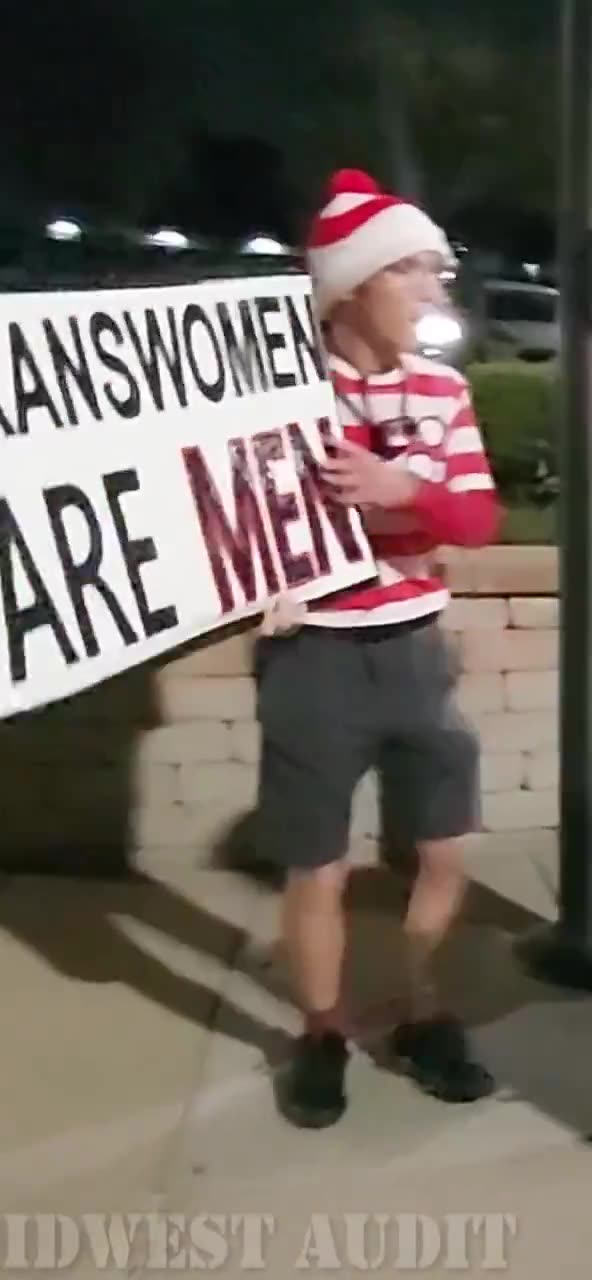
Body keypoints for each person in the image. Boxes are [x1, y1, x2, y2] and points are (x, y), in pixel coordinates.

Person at [255, 168, 500, 1127]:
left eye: (441, 271)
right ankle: (322, 1032)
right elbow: (215, 506)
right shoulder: (277, 392)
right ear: (356, 282)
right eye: (418, 272)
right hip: (313, 650)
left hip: (414, 648)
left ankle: (423, 1013)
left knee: (442, 848)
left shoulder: (443, 387)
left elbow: (477, 516)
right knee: (316, 863)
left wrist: (407, 493)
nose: (439, 291)